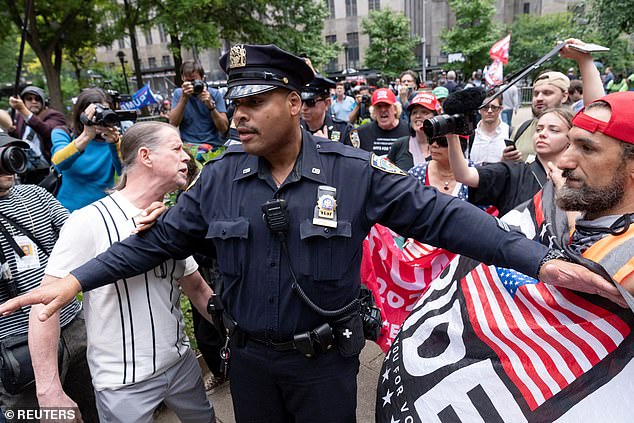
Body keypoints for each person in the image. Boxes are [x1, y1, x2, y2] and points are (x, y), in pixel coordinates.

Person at [0, 44, 621, 423]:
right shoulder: (218, 180)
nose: (237, 115)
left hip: (324, 365)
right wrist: (74, 279)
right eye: (233, 103)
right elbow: (158, 243)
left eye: (255, 102)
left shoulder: (352, 174)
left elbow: (444, 218)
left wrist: (539, 262)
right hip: (249, 363)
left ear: (295, 104)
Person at [29, 121, 215, 422]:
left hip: (181, 364)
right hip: (123, 383)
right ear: (146, 156)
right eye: (177, 148)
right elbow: (44, 303)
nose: (187, 157)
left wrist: (241, 333)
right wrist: (48, 388)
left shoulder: (171, 219)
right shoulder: (88, 222)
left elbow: (197, 288)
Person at [0, 132, 98, 420]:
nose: (8, 167)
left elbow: (81, 237)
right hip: (16, 347)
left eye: (9, 156)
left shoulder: (36, 195)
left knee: (94, 409)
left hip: (72, 326)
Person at [450, 108, 573, 216]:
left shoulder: (580, 177)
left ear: (571, 138)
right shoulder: (513, 172)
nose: (542, 134)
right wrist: (452, 136)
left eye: (554, 130)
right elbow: (463, 175)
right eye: (538, 129)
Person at [513, 40, 606, 162]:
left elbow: (597, 110)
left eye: (547, 93)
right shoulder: (521, 129)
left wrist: (584, 58)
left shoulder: (574, 127)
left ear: (564, 96)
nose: (539, 98)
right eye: (536, 93)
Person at [51, 88, 122, 212]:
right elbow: (59, 163)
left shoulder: (114, 140)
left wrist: (115, 144)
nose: (99, 118)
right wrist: (86, 136)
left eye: (105, 112)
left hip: (103, 212)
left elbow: (126, 173)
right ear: (81, 114)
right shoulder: (63, 133)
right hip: (67, 212)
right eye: (95, 113)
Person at [7, 86, 67, 184]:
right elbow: (16, 139)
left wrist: (22, 109)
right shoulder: (20, 117)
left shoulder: (55, 116)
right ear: (23, 101)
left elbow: (46, 131)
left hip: (48, 173)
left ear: (43, 101)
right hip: (25, 173)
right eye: (29, 99)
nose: (34, 101)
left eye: (37, 99)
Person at [170, 60, 229, 151]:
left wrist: (211, 106)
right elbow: (173, 123)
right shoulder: (179, 94)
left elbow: (224, 128)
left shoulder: (214, 94)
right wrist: (184, 99)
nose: (192, 85)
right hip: (189, 147)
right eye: (188, 81)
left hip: (213, 146)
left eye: (194, 81)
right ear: (182, 78)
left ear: (202, 78)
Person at [387, 92, 439, 171]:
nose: (418, 116)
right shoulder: (399, 145)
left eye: (424, 112)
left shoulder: (444, 147)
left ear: (435, 117)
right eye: (414, 112)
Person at [409, 135, 469, 200]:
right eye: (431, 139)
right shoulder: (416, 174)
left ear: (460, 145)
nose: (434, 145)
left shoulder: (475, 174)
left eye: (442, 141)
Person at [300, 74, 353, 144]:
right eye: (301, 101)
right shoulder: (294, 128)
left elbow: (353, 153)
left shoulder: (344, 130)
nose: (304, 108)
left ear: (327, 103)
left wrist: (327, 147)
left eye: (310, 102)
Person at [355, 88, 410, 154]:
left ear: (395, 109)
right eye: (379, 106)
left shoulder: (409, 132)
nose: (383, 109)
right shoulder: (361, 133)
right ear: (374, 111)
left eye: (387, 105)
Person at [468, 93, 510, 164]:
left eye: (494, 107)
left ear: (500, 109)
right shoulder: (471, 135)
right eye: (485, 107)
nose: (489, 111)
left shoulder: (509, 132)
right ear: (479, 109)